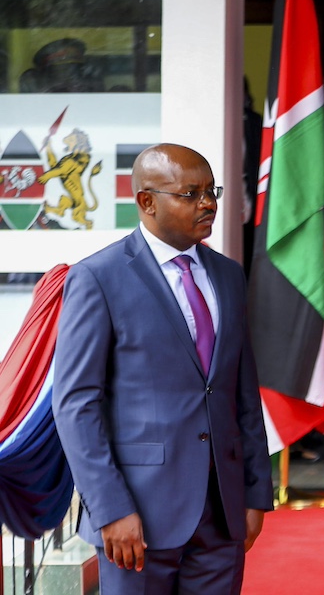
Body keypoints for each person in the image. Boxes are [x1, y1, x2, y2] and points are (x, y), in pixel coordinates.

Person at [52, 143, 274, 592]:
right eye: (191, 193)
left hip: (222, 515)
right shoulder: (98, 277)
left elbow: (242, 393)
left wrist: (254, 492)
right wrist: (110, 508)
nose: (208, 203)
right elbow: (77, 405)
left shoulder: (228, 275)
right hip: (136, 517)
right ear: (147, 202)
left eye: (212, 191)